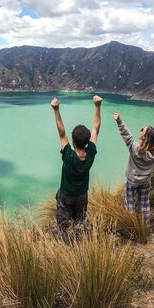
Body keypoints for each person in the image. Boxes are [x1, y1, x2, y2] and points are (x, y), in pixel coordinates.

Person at [113, 102, 154, 223]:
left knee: (130, 205)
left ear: (144, 137)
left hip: (131, 182)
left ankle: (132, 227)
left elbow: (126, 134)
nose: (140, 130)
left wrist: (119, 121)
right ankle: (145, 226)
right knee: (145, 204)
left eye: (142, 130)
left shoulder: (135, 149)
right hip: (146, 181)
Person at [51, 95, 102, 231]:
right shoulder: (90, 154)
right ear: (87, 142)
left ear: (73, 141)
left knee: (64, 225)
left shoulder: (68, 155)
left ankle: (65, 243)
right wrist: (98, 106)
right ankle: (79, 241)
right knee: (79, 223)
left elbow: (61, 132)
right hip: (82, 196)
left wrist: (56, 109)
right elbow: (96, 128)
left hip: (66, 195)